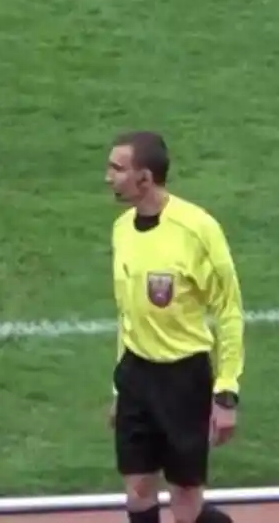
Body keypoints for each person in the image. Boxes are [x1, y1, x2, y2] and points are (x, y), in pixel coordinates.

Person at [105, 131, 243, 523]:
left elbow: (229, 310)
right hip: (135, 373)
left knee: (185, 498)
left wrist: (226, 393)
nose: (108, 177)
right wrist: (118, 385)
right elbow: (128, 313)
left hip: (184, 377)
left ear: (145, 177)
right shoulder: (122, 230)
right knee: (137, 491)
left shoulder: (198, 230)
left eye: (117, 168)